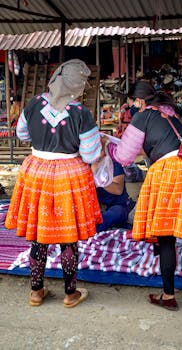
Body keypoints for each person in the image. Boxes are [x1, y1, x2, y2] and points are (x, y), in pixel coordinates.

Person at [105, 81, 182, 311]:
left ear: (139, 101)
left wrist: (108, 147)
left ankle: (168, 296)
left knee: (166, 237)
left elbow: (124, 156)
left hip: (170, 172)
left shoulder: (143, 115)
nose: (131, 110)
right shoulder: (176, 110)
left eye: (131, 105)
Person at [5, 59, 103, 308]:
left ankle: (36, 292)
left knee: (39, 234)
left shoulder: (34, 103)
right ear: (77, 85)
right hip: (69, 175)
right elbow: (91, 154)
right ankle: (70, 293)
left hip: (36, 171)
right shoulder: (81, 113)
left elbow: (22, 135)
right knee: (68, 237)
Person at [92, 159, 136, 232]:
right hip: (98, 208)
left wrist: (97, 179)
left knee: (116, 213)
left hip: (118, 205)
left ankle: (92, 231)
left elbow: (118, 190)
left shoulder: (113, 164)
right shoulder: (85, 166)